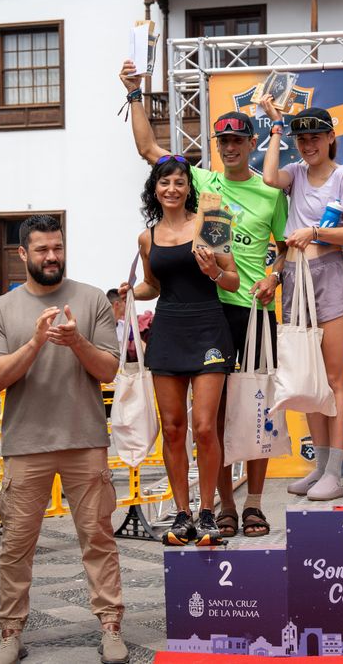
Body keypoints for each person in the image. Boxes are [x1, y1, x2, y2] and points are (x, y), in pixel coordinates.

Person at [120, 63, 288, 539]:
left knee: (253, 410)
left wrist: (273, 276)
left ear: (251, 144)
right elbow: (149, 149)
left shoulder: (270, 192)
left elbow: (285, 248)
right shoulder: (204, 187)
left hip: (251, 311)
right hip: (205, 308)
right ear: (216, 146)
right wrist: (135, 93)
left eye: (239, 140)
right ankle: (222, 507)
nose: (231, 147)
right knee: (207, 420)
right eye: (224, 141)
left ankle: (253, 503)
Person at [0, 215, 127, 664]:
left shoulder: (90, 300)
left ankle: (110, 626)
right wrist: (36, 343)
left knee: (98, 539)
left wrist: (76, 341)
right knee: (16, 547)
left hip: (85, 439)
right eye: (42, 250)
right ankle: (11, 634)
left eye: (57, 248)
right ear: (23, 254)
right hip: (25, 444)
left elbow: (108, 370)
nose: (52, 257)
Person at [121, 156, 240, 546]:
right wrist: (126, 294)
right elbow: (153, 288)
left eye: (179, 182)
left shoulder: (211, 222)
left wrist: (213, 273)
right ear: (154, 189)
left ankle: (208, 512)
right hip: (168, 329)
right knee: (173, 429)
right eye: (164, 182)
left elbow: (233, 281)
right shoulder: (147, 237)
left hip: (208, 327)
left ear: (190, 188)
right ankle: (182, 514)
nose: (172, 189)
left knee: (205, 427)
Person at [260, 102, 343, 501]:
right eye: (301, 138)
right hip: (294, 277)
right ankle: (318, 468)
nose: (308, 145)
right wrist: (274, 127)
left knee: (336, 378)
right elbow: (270, 176)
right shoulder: (296, 174)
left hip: (331, 275)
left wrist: (314, 233)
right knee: (308, 376)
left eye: (315, 137)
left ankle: (335, 472)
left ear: (330, 138)